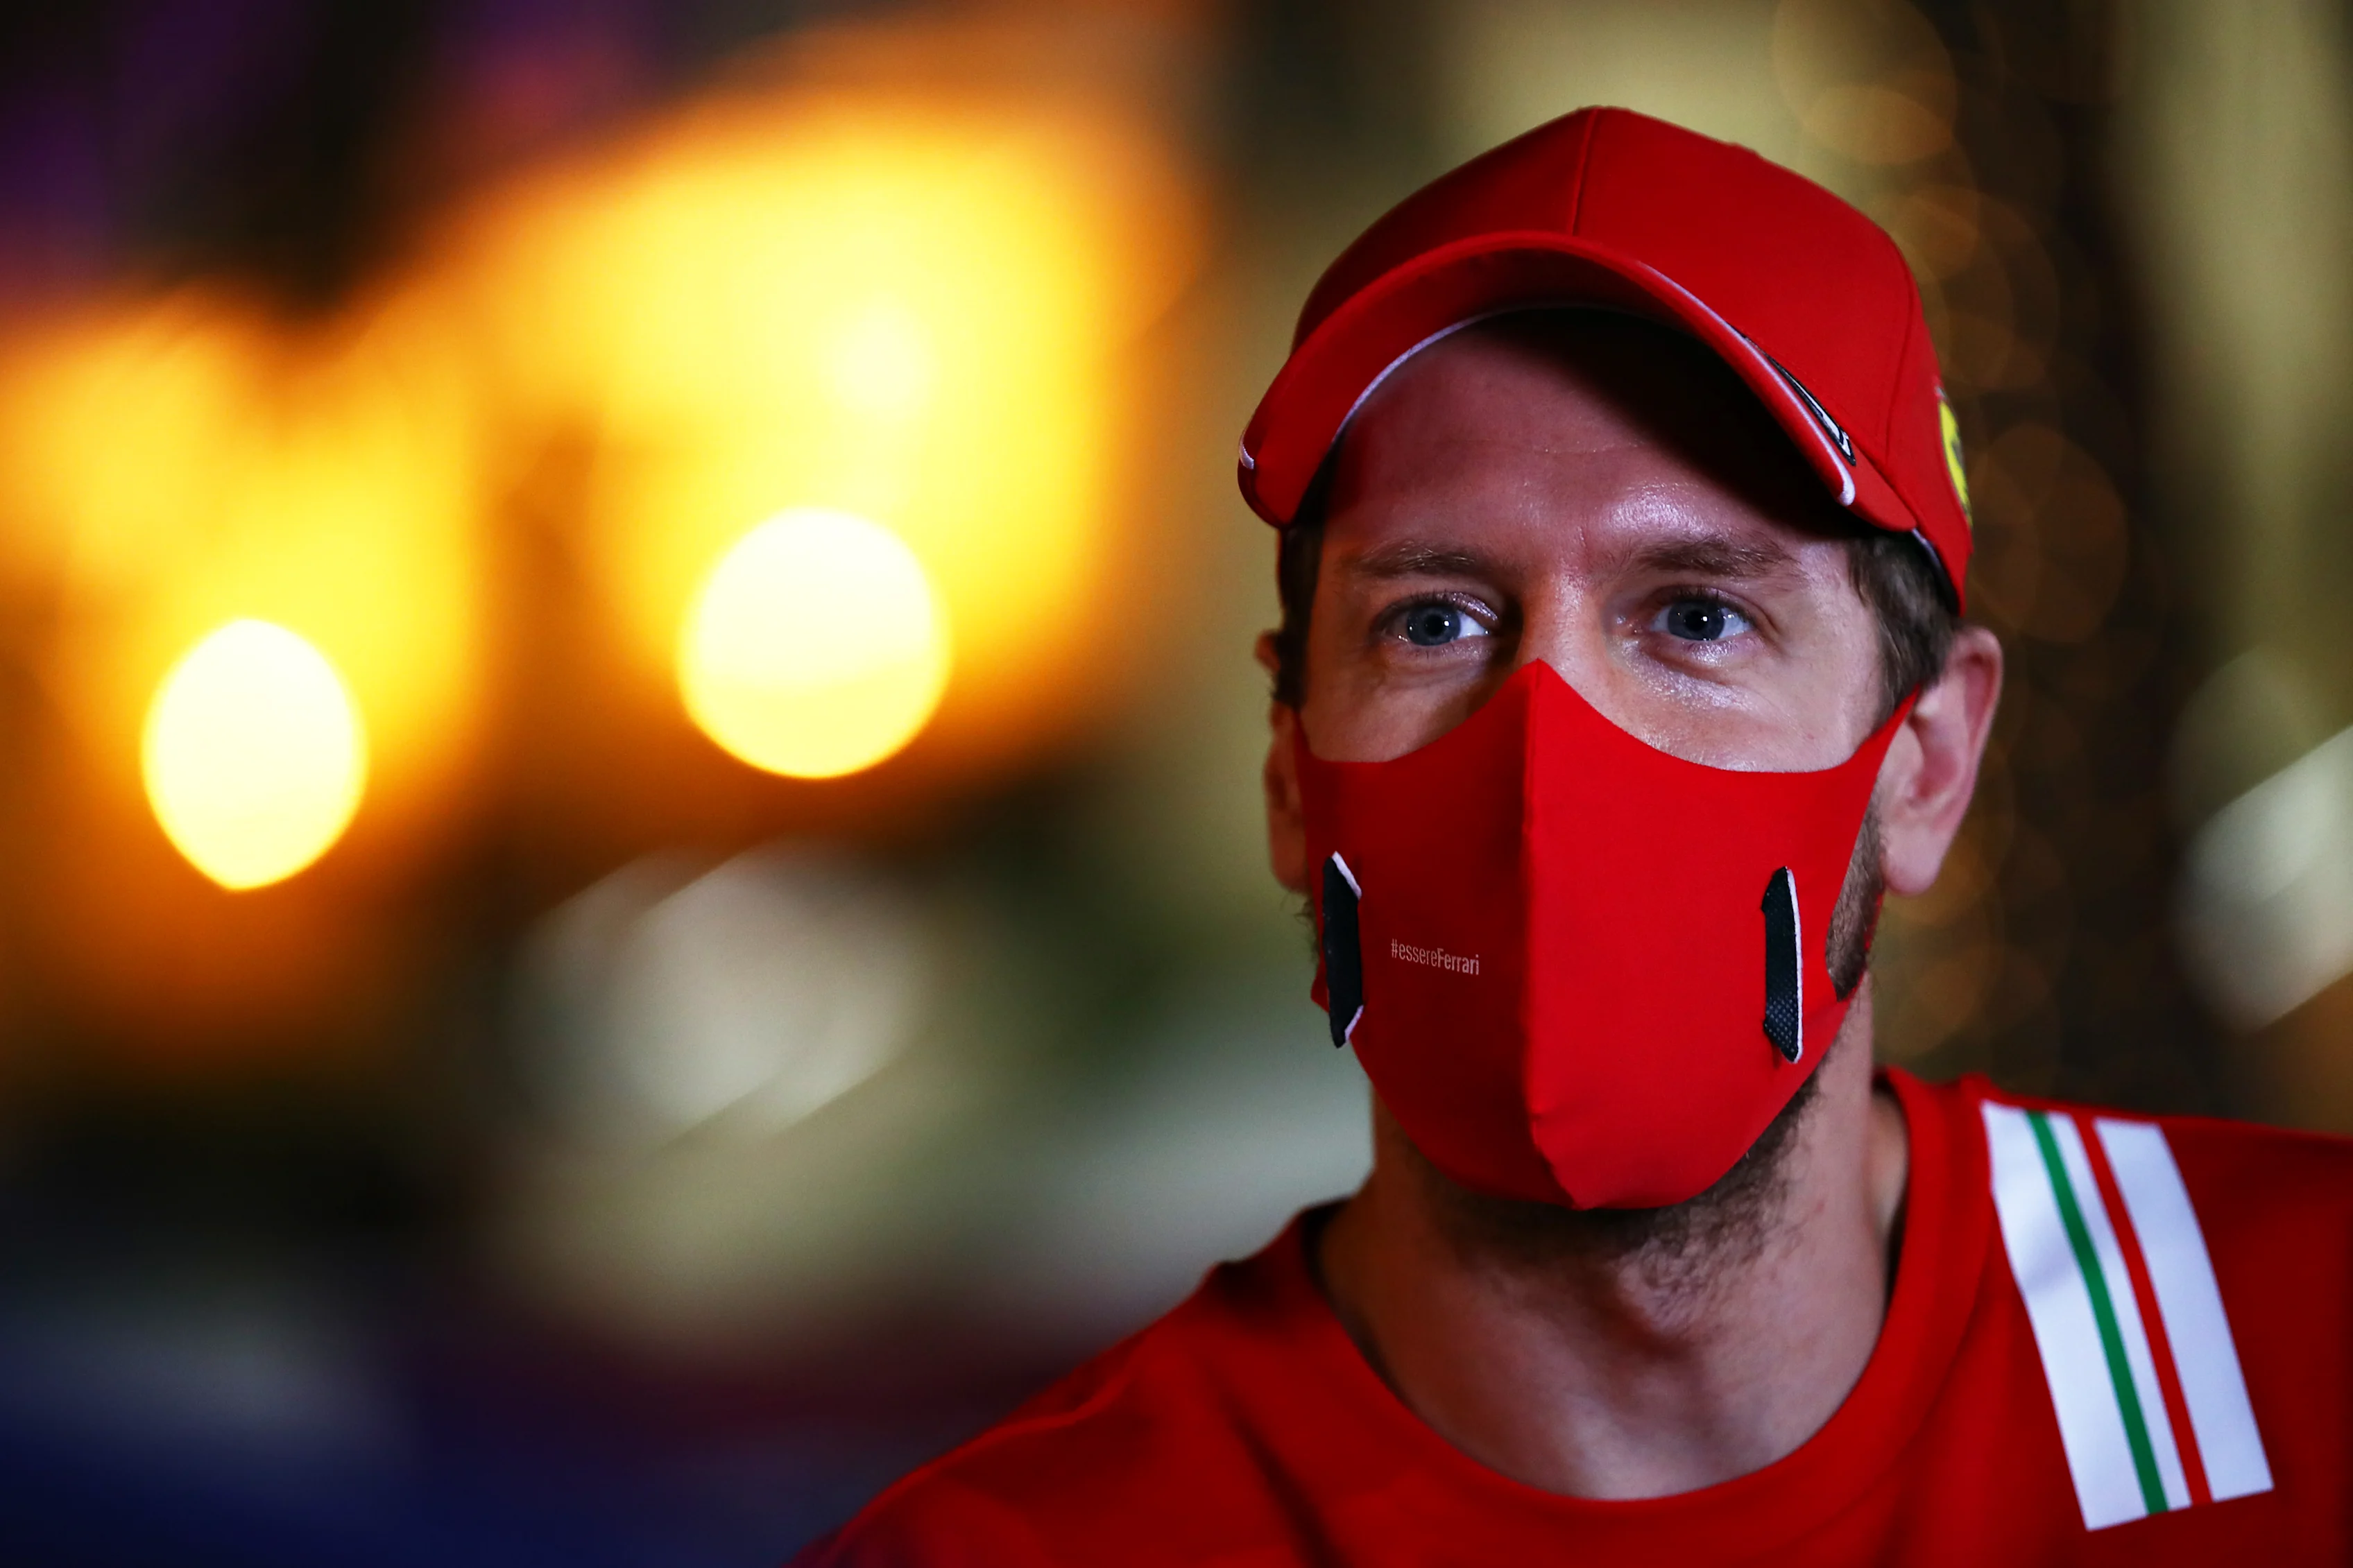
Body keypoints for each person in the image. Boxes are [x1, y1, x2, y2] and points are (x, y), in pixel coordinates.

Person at [798, 107, 2353, 1565]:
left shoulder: (2299, 1352)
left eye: (1695, 616)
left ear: (1926, 764)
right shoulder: (1037, 1543)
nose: (1548, 752)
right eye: (1433, 618)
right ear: (1289, 773)